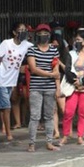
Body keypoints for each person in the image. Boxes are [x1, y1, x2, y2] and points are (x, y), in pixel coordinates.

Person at [0, 22, 33, 141]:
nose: (23, 32)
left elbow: (37, 48)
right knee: (7, 107)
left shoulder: (26, 45)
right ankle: (8, 134)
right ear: (15, 32)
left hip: (11, 81)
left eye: (24, 30)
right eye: (20, 30)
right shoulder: (6, 43)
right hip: (0, 80)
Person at [26, 24, 60, 152]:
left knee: (49, 116)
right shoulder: (32, 50)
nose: (43, 35)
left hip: (50, 87)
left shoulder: (53, 50)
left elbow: (56, 68)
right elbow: (33, 69)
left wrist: (58, 88)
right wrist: (50, 74)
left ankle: (49, 142)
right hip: (36, 86)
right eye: (40, 32)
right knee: (35, 116)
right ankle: (31, 143)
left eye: (45, 32)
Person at [61, 30, 84, 146]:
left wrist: (82, 81)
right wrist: (75, 81)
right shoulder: (71, 54)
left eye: (79, 40)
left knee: (83, 113)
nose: (76, 42)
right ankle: (65, 135)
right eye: (75, 40)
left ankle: (80, 136)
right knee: (68, 112)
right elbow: (67, 69)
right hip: (73, 88)